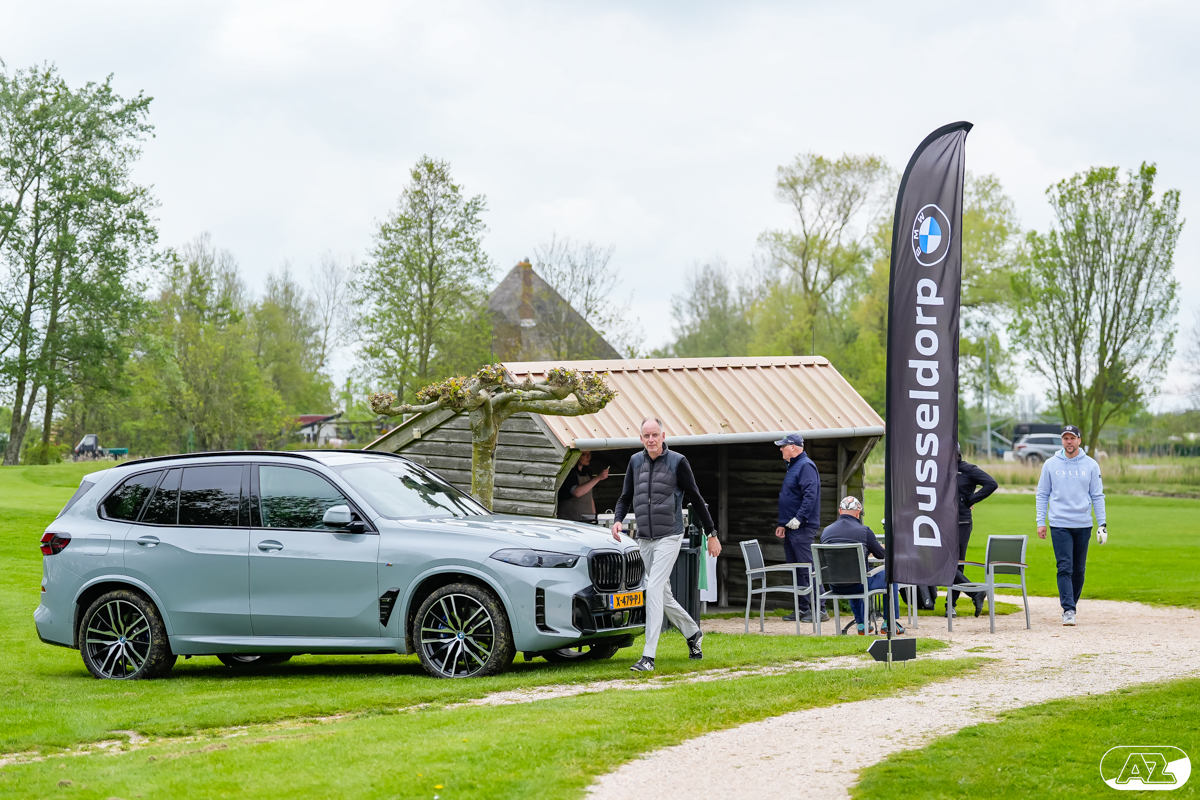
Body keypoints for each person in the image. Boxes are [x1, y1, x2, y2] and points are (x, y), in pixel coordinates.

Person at [611, 417, 721, 672]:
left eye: (655, 435)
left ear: (663, 436)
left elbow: (696, 497)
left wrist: (711, 533)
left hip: (670, 535)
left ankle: (648, 657)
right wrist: (617, 520)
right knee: (663, 594)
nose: (651, 439)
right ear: (641, 438)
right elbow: (625, 497)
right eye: (646, 435)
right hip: (644, 537)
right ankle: (693, 633)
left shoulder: (677, 462)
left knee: (653, 588)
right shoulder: (635, 462)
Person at [1036, 425, 1106, 626]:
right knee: (1064, 567)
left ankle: (1071, 605)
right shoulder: (1050, 464)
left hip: (1083, 524)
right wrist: (1041, 521)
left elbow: (1097, 495)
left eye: (1072, 438)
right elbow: (1042, 494)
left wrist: (1102, 523)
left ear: (1079, 441)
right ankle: (1068, 609)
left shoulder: (1091, 465)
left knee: (1079, 569)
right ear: (1062, 441)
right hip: (1059, 523)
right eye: (1065, 438)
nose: (1069, 442)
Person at [818, 496, 902, 635]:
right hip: (859, 584)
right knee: (890, 575)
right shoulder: (864, 531)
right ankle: (889, 623)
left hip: (835, 584)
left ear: (840, 511)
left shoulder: (826, 531)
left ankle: (862, 625)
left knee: (851, 573)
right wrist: (869, 550)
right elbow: (882, 555)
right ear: (858, 512)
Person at [774, 433, 828, 623]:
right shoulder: (794, 466)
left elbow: (810, 495)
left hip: (802, 527)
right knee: (796, 569)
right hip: (791, 527)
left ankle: (820, 610)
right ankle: (803, 609)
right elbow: (791, 497)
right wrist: (783, 524)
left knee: (807, 568)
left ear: (793, 447)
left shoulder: (805, 466)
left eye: (783, 446)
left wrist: (799, 518)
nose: (781, 449)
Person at [948, 450, 998, 617]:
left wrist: (971, 499)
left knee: (957, 563)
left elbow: (991, 484)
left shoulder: (968, 469)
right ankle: (975, 592)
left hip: (962, 522)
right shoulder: (939, 469)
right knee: (944, 561)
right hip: (942, 522)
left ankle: (951, 605)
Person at [556, 451, 609, 521]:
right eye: (584, 455)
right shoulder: (569, 472)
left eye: (589, 454)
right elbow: (577, 492)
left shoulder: (587, 471)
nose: (588, 457)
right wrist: (598, 478)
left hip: (586, 518)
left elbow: (589, 495)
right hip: (569, 519)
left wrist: (594, 515)